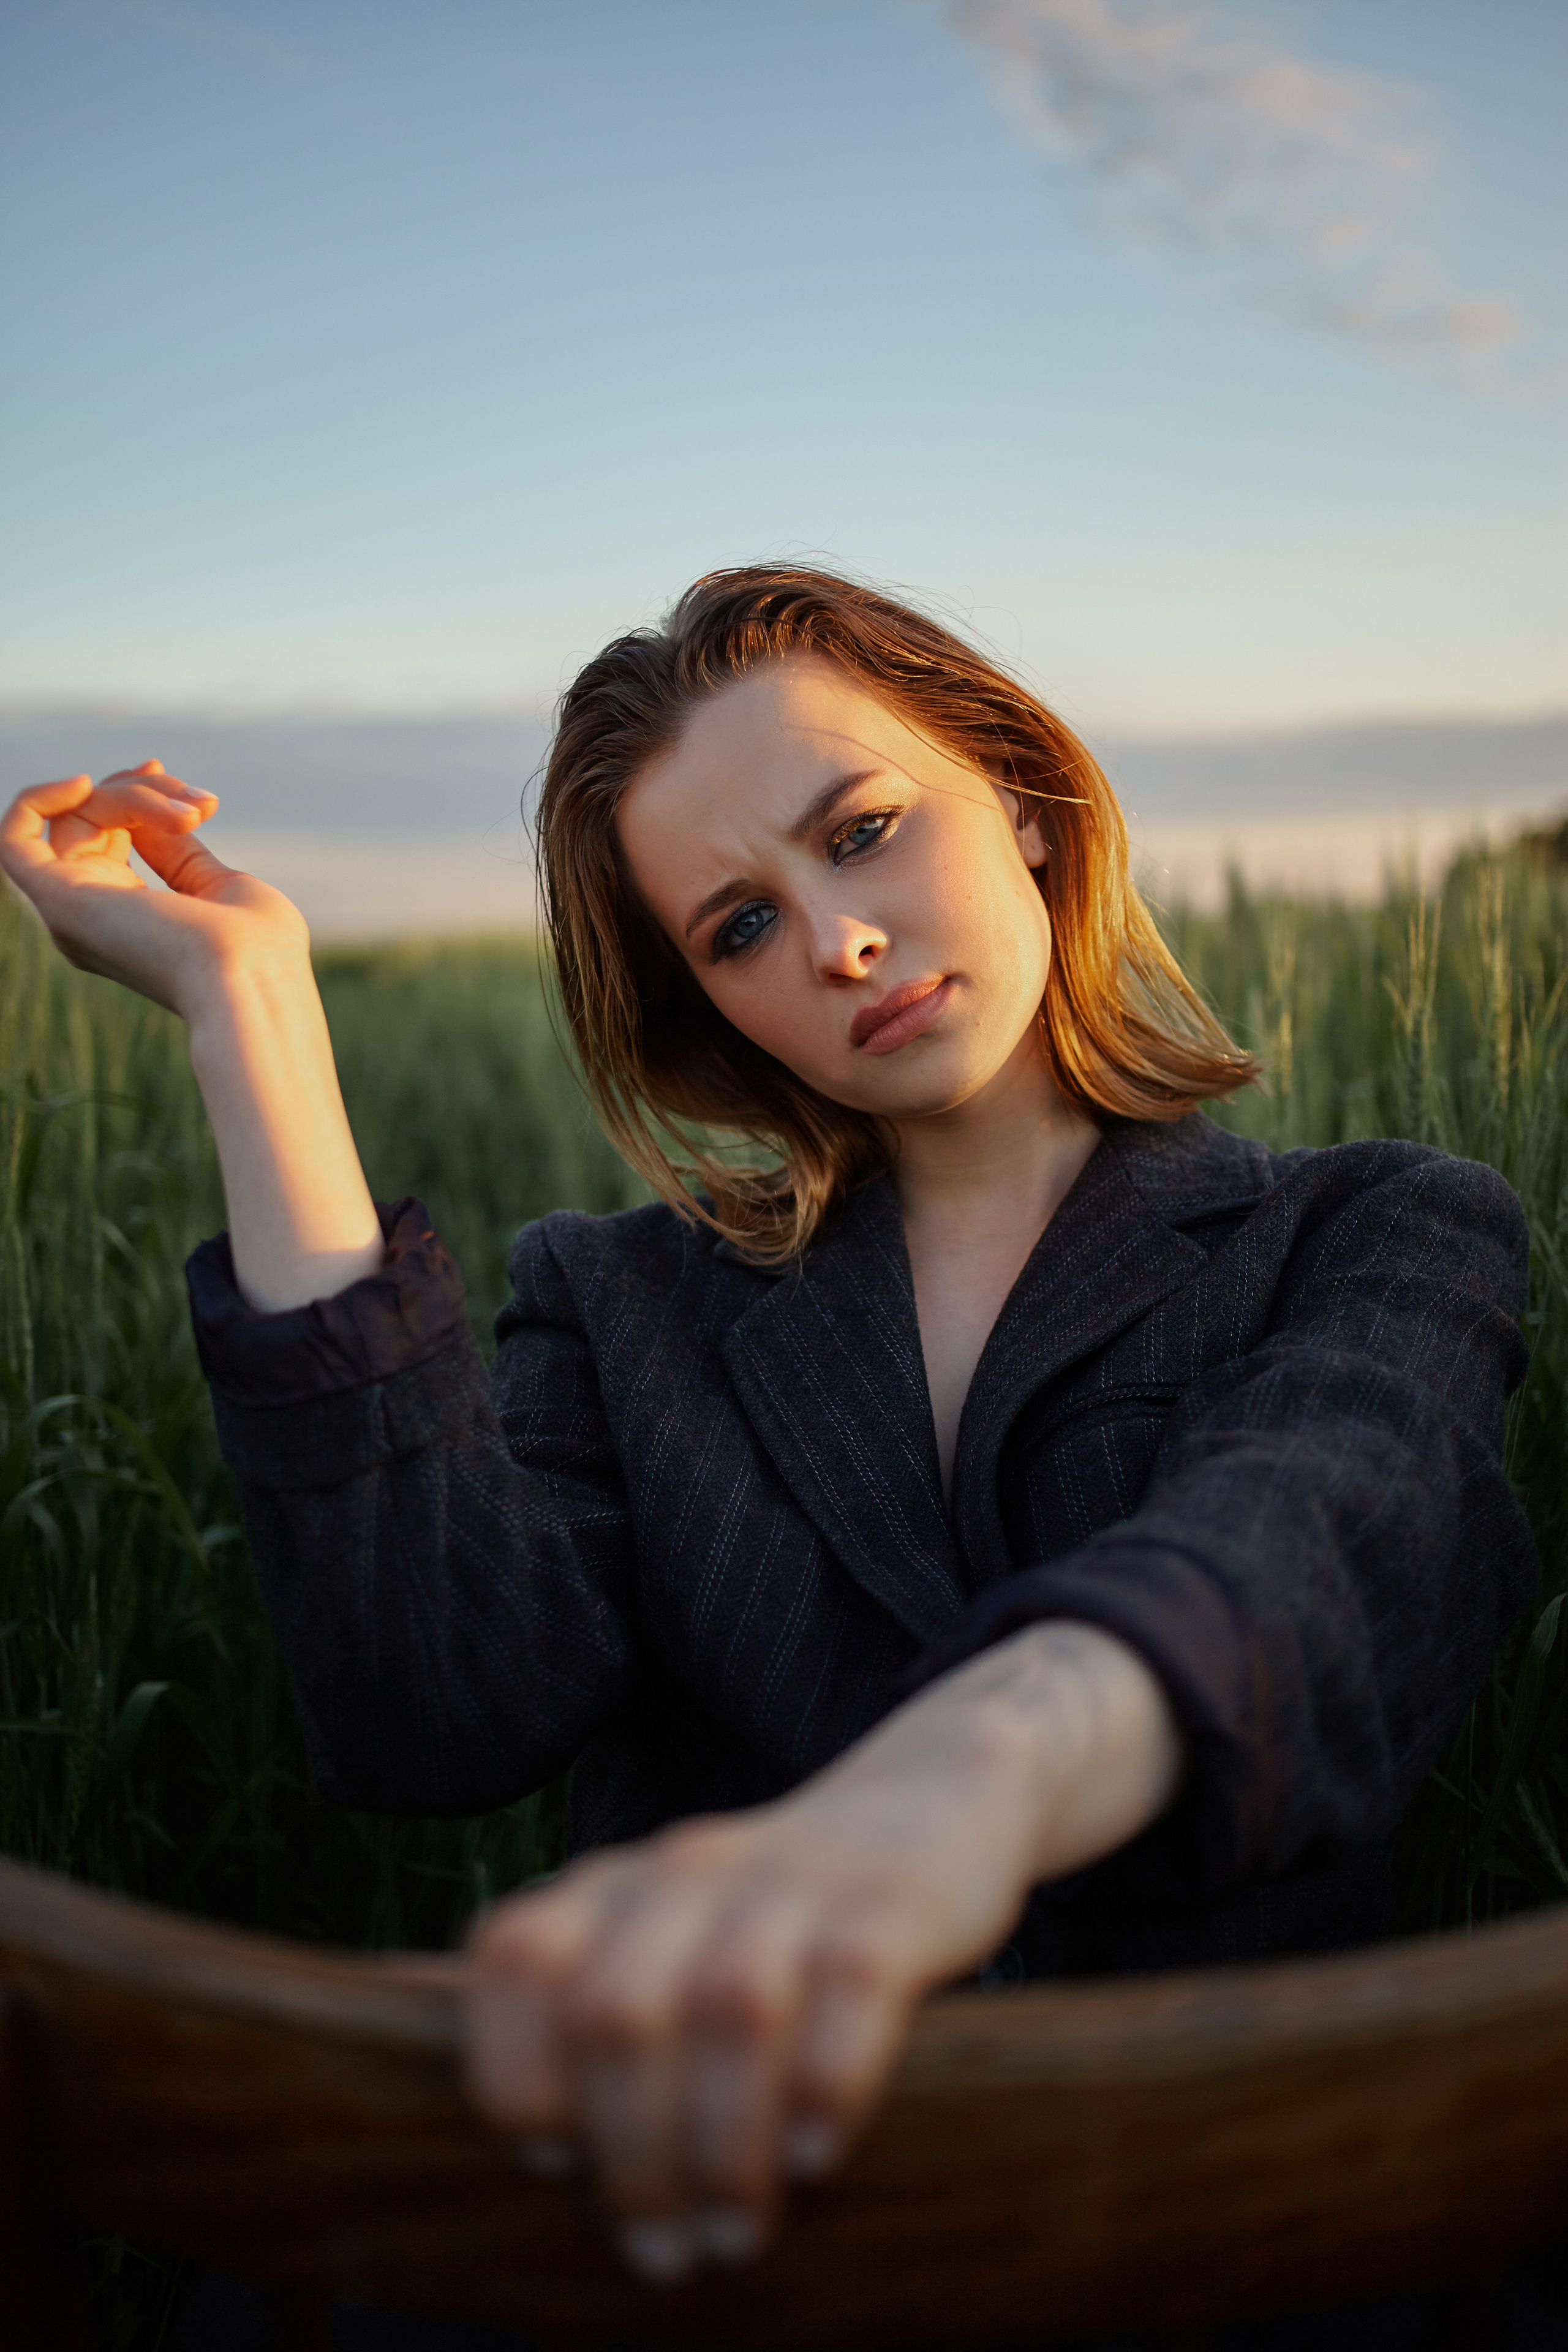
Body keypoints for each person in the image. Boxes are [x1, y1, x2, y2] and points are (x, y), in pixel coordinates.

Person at [0, 567, 1534, 2291]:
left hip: (1204, 2239)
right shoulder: (618, 1302)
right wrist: (253, 1016)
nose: (835, 939)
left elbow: (1313, 1543)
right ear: (702, 1002)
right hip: (707, 2257)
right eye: (738, 925)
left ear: (1021, 794)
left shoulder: (1373, 1232)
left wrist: (945, 1797)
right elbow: (439, 1711)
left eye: (865, 829)